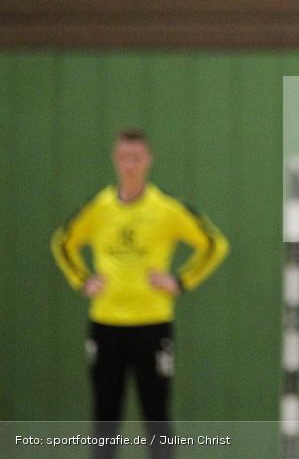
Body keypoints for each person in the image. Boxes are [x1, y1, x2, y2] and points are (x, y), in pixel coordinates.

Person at [51, 128, 229, 459]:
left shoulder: (166, 209)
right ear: (115, 161)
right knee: (106, 416)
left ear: (148, 160)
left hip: (152, 324)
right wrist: (82, 280)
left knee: (156, 415)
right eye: (123, 158)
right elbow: (62, 242)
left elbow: (214, 243)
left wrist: (180, 281)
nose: (130, 166)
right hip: (106, 323)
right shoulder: (99, 207)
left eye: (136, 158)